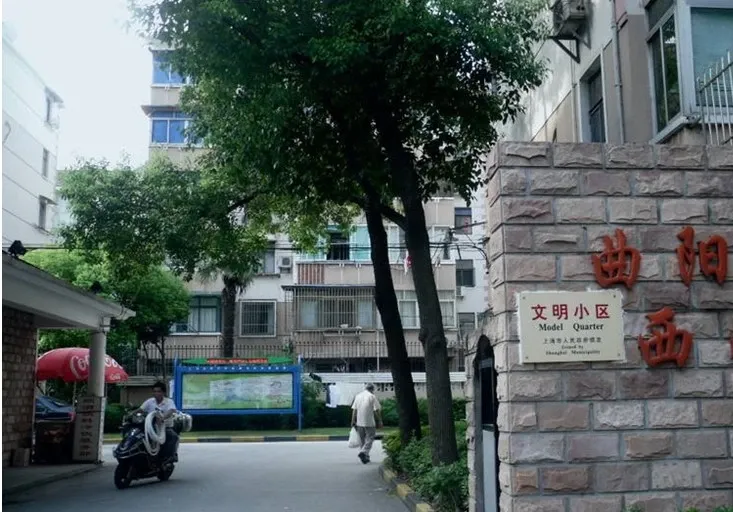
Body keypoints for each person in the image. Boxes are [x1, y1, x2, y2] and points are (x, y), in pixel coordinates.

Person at [137, 381, 179, 462]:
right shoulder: (149, 401)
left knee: (173, 436)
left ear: (163, 392)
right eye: (154, 391)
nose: (156, 393)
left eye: (159, 391)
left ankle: (169, 457)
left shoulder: (169, 401)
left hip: (165, 427)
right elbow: (140, 410)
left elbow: (171, 410)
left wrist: (162, 418)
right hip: (150, 427)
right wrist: (130, 414)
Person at [351, 383, 382, 464]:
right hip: (369, 421)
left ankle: (365, 457)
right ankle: (364, 452)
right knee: (370, 438)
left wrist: (353, 420)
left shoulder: (358, 396)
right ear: (372, 389)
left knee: (362, 440)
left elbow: (354, 410)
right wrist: (379, 420)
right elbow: (376, 410)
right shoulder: (372, 396)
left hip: (359, 422)